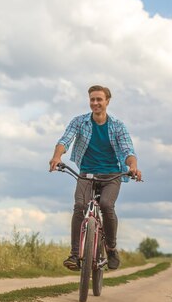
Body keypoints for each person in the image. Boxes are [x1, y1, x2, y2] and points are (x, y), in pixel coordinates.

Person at [48, 85, 142, 271]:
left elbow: (127, 150)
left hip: (111, 174)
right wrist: (57, 157)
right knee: (80, 207)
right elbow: (64, 140)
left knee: (107, 205)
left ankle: (111, 248)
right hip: (87, 173)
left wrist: (132, 166)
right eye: (92, 99)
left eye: (99, 99)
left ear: (107, 101)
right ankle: (75, 255)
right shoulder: (79, 122)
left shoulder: (117, 126)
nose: (95, 103)